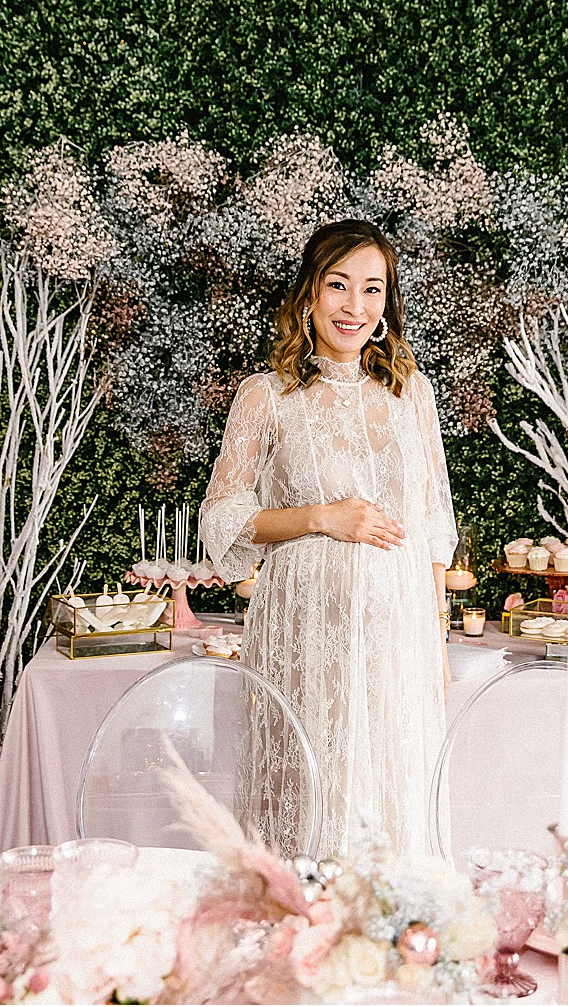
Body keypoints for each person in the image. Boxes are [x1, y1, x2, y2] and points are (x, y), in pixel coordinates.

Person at [200, 219, 458, 857]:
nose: (356, 306)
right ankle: (301, 933)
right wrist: (322, 516)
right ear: (309, 294)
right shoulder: (267, 396)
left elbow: (431, 522)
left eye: (373, 290)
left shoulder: (409, 393)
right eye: (338, 286)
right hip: (305, 622)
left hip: (399, 628)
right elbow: (224, 517)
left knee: (396, 786)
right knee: (314, 784)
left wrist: (437, 635)